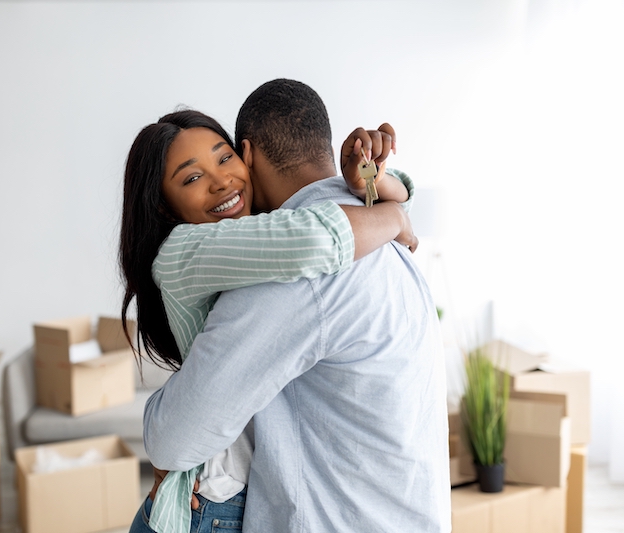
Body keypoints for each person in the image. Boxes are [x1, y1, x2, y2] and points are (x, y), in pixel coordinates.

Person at [142, 79, 451, 532]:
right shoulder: (379, 232)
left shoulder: (290, 273)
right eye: (192, 176)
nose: (221, 180)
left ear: (247, 156)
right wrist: (394, 208)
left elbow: (173, 438)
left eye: (225, 158)